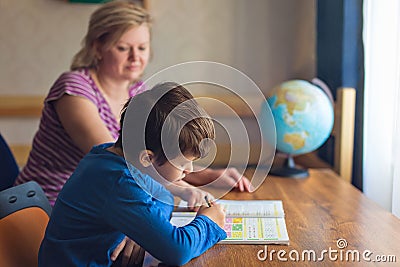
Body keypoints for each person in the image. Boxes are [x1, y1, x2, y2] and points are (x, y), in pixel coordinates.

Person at [15, 0, 251, 208]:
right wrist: (180, 188)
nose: (135, 57)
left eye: (142, 48)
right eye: (123, 48)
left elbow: (155, 159)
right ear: (97, 48)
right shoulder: (74, 89)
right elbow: (116, 162)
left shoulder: (139, 92)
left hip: (101, 200)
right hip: (50, 205)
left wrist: (207, 175)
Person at [38, 82, 227, 267]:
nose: (190, 170)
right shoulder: (119, 181)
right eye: (183, 163)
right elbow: (178, 251)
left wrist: (143, 230)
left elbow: (163, 195)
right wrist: (209, 221)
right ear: (147, 158)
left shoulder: (110, 156)